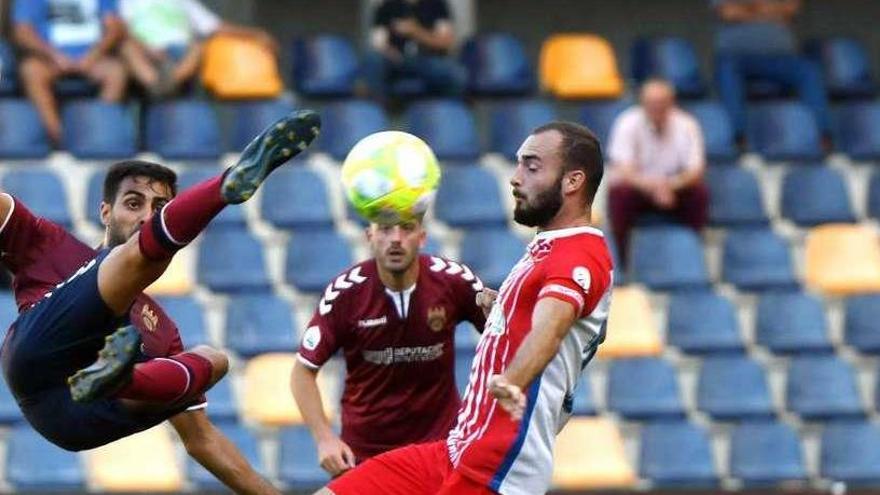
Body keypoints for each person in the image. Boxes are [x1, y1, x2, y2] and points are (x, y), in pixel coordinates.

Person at [0, 108, 320, 493]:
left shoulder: (161, 327)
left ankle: (117, 379)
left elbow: (202, 439)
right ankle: (228, 186)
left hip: (87, 417)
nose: (145, 218)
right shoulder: (52, 246)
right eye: (133, 203)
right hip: (39, 364)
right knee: (126, 261)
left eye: (159, 210)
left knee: (214, 360)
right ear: (105, 211)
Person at [313, 120, 614, 495]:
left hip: (500, 464)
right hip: (459, 448)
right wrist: (501, 306)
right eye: (518, 164)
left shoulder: (579, 255)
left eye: (531, 167)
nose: (515, 177)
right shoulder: (548, 249)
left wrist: (511, 381)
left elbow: (549, 329)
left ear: (572, 182)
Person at [291, 215, 491, 477]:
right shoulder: (345, 294)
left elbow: (503, 337)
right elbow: (302, 372)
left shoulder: (455, 280)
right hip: (365, 454)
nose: (396, 239)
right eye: (385, 229)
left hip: (440, 448)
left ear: (422, 236)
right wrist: (324, 439)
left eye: (407, 228)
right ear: (369, 237)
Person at [607, 79, 708, 268]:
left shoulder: (687, 125)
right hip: (639, 187)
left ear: (671, 102)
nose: (656, 108)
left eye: (661, 102)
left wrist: (669, 186)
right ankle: (621, 262)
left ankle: (694, 256)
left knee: (699, 193)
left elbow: (696, 170)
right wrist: (655, 188)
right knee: (620, 193)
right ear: (642, 103)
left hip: (674, 187)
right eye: (651, 103)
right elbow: (624, 170)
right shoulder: (627, 122)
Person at [12, 0, 128, 145]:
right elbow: (22, 31)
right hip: (49, 58)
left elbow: (115, 28)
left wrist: (93, 55)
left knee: (116, 72)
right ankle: (59, 138)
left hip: (93, 58)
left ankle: (97, 132)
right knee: (31, 71)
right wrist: (54, 55)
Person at [712, 0, 830, 142]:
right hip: (736, 57)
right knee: (727, 72)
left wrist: (749, 9)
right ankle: (738, 137)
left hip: (780, 58)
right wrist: (772, 11)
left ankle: (821, 136)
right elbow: (729, 13)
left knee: (809, 71)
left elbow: (790, 9)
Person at [117, 0, 277, 99]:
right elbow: (122, 29)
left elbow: (215, 27)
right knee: (126, 47)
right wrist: (146, 48)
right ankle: (158, 86)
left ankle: (167, 85)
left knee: (199, 46)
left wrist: (255, 34)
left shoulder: (185, 2)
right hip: (145, 50)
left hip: (181, 52)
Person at [364, 0, 464, 99]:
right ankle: (378, 110)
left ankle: (443, 111)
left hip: (427, 60)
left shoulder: (437, 5)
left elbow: (445, 43)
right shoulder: (387, 6)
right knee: (373, 60)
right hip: (395, 60)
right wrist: (390, 52)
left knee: (455, 73)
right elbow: (378, 44)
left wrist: (416, 32)